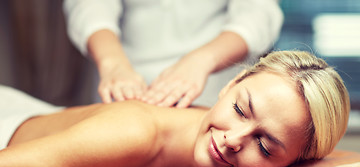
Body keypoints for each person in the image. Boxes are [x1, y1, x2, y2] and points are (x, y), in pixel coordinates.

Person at [0, 51, 357, 167]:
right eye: (240, 109)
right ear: (230, 86)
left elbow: (348, 158)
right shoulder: (133, 133)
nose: (234, 140)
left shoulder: (282, 163)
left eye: (264, 146)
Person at [63, 0, 283, 107]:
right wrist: (112, 63)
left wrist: (201, 61)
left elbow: (257, 16)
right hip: (122, 78)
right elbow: (89, 6)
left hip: (210, 82)